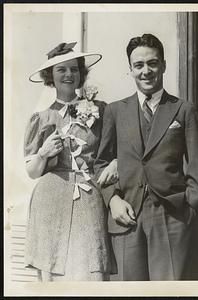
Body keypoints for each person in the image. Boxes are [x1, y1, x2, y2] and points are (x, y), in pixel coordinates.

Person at [94, 33, 198, 280]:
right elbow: (101, 163)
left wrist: (188, 211)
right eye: (138, 65)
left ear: (163, 65)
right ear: (130, 70)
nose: (146, 71)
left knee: (167, 292)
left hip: (171, 218)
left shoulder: (183, 110)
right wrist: (112, 200)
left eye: (152, 63)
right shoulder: (115, 111)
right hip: (126, 217)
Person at [24, 42, 118, 281]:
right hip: (50, 201)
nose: (68, 75)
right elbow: (33, 172)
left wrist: (115, 162)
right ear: (50, 77)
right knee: (53, 275)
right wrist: (43, 153)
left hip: (89, 196)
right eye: (61, 70)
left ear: (81, 74)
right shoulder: (41, 117)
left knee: (91, 271)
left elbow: (112, 151)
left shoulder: (101, 110)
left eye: (74, 69)